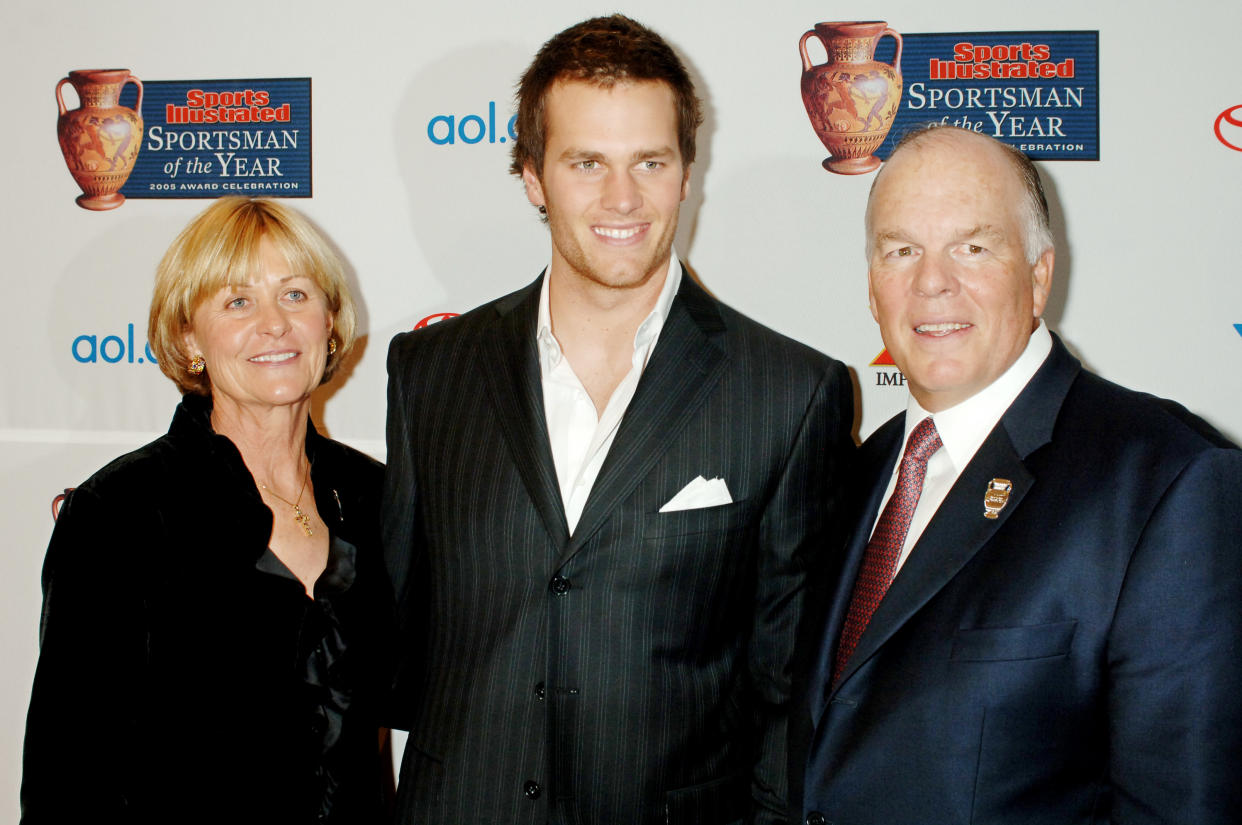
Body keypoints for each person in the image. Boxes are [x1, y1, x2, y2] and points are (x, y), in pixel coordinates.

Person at [382, 14, 853, 825]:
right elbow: (401, 637)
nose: (622, 198)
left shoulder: (790, 392)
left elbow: (786, 697)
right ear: (531, 174)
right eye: (586, 163)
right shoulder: (429, 372)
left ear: (685, 173)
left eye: (650, 162)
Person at [791, 124, 1242, 824]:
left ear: (1038, 276)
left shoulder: (1169, 481)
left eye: (973, 247)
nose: (932, 281)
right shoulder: (862, 468)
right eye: (901, 250)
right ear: (873, 285)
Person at [21, 197, 392, 825]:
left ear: (331, 321)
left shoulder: (373, 495)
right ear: (189, 336)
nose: (275, 324)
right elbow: (67, 774)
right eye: (237, 301)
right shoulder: (123, 511)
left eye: (297, 294)